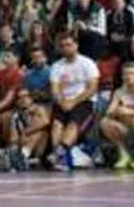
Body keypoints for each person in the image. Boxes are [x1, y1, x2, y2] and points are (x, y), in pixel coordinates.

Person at [48, 32, 99, 171]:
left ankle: (60, 153)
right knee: (57, 125)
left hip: (83, 101)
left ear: (76, 45)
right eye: (63, 46)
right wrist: (61, 101)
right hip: (63, 102)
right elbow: (54, 89)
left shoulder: (87, 63)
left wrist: (74, 101)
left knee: (72, 124)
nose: (66, 48)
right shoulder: (57, 66)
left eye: (69, 45)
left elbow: (92, 88)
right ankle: (59, 155)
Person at [100, 63, 134, 171]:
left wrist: (129, 111)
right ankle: (124, 154)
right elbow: (109, 111)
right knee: (104, 122)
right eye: (125, 74)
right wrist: (115, 111)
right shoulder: (119, 92)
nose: (128, 76)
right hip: (125, 127)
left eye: (132, 73)